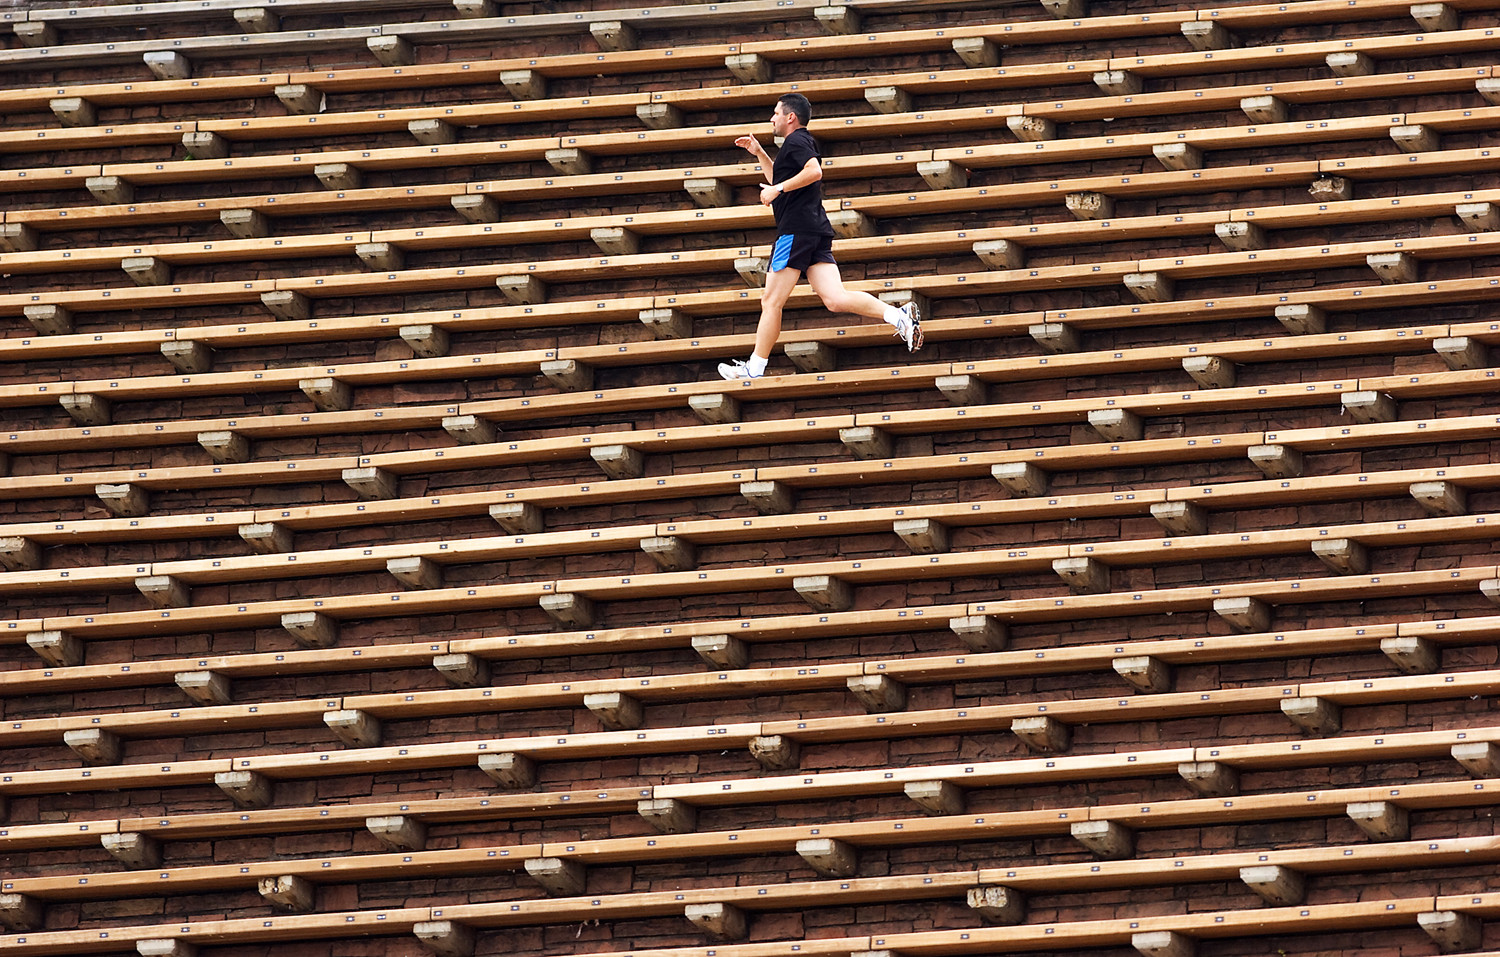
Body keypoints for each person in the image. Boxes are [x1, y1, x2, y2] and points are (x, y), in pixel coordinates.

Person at [717, 92, 922, 381]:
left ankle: (755, 368)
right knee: (835, 299)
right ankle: (899, 317)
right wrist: (761, 155)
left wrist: (778, 190)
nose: (771, 118)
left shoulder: (797, 140)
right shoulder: (795, 144)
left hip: (795, 232)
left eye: (776, 113)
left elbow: (814, 171)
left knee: (771, 301)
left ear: (791, 117)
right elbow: (781, 179)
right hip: (814, 231)